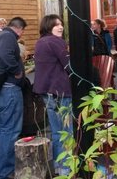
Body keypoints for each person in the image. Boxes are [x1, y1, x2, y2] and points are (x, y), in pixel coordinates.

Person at [33, 14, 72, 176]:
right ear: (49, 26)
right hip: (61, 91)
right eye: (56, 25)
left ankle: (59, 167)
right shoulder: (56, 42)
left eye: (61, 24)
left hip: (46, 92)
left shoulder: (40, 42)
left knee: (56, 131)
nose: (61, 27)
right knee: (67, 132)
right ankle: (68, 168)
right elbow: (70, 66)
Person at [0, 17, 27, 179]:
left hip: (2, 89)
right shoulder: (8, 36)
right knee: (10, 131)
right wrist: (17, 70)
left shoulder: (1, 35)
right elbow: (5, 54)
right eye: (23, 30)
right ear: (19, 29)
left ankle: (4, 171)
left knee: (5, 130)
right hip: (9, 89)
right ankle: (4, 172)